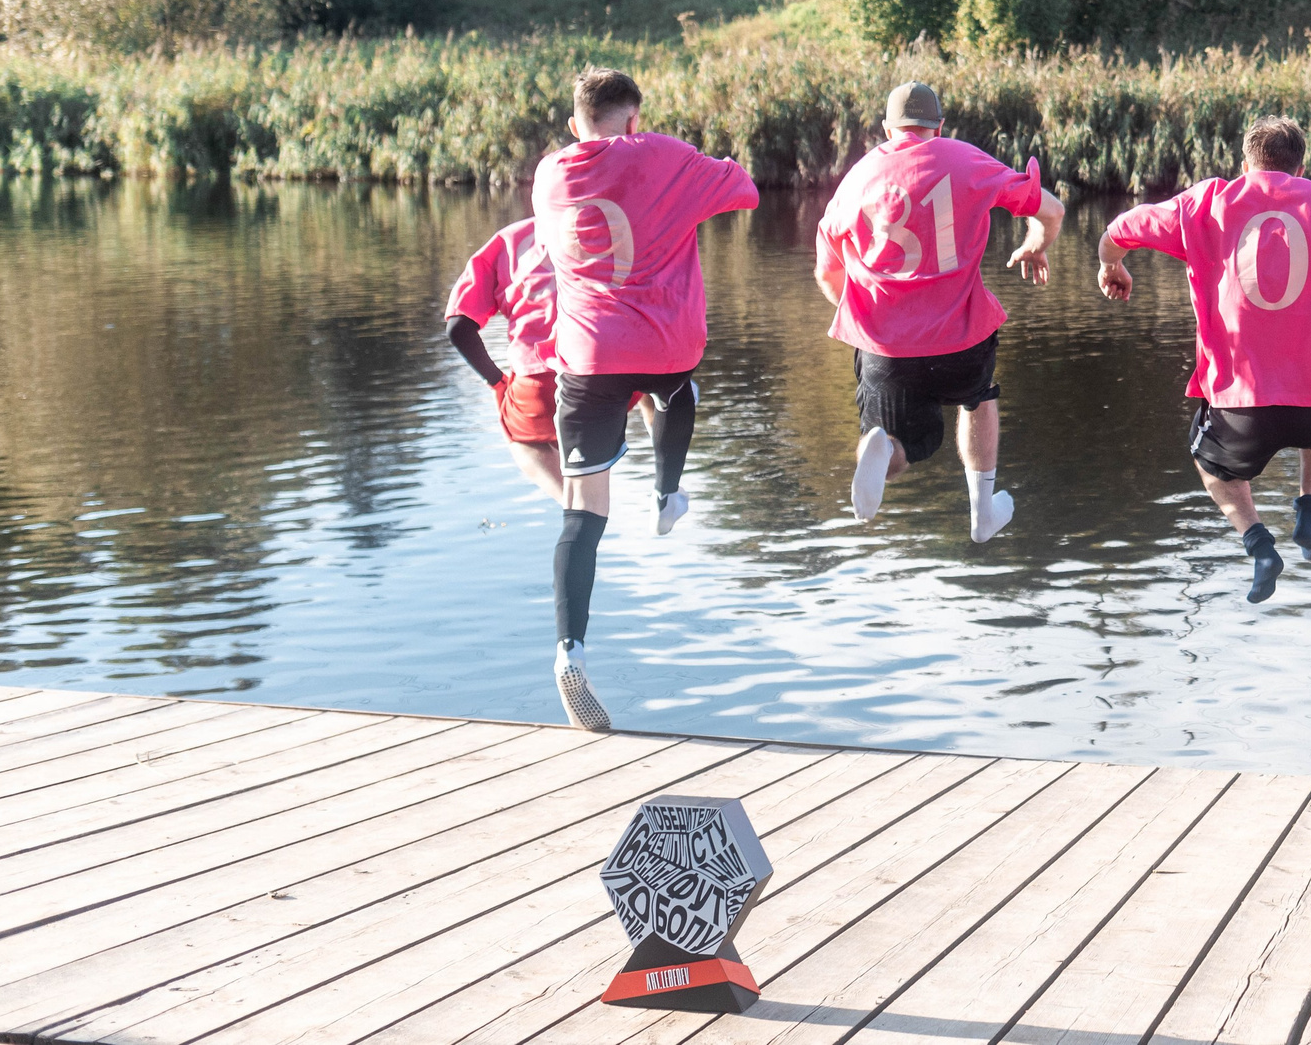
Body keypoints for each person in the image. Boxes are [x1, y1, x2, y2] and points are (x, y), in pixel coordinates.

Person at [1099, 116, 1311, 603]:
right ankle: (1309, 511)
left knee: (1207, 460)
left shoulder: (1205, 203)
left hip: (1240, 406)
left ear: (1245, 163)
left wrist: (1111, 264)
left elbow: (1119, 230)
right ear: (1300, 167)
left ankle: (1258, 544)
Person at [532, 66, 760, 730]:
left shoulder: (550, 174)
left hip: (587, 358)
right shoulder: (661, 154)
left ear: (576, 125)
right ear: (635, 120)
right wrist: (681, 163)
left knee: (582, 514)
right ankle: (667, 494)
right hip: (663, 347)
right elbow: (743, 190)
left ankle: (569, 649)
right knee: (678, 389)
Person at [815, 81, 1063, 543]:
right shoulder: (965, 159)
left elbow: (827, 277)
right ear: (939, 126)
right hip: (962, 341)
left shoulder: (856, 179)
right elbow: (1051, 210)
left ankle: (881, 444)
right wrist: (1034, 243)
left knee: (906, 448)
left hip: (885, 348)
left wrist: (871, 324)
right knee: (978, 397)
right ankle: (981, 511)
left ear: (887, 129)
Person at [443, 219, 658, 735]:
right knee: (661, 381)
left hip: (534, 387)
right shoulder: (617, 226)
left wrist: (497, 381)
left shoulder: (509, 240)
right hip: (603, 376)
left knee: (522, 442)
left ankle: (569, 501)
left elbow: (457, 325)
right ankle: (665, 481)